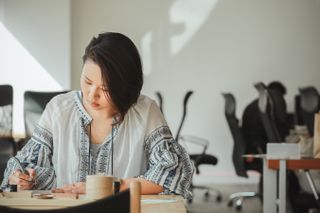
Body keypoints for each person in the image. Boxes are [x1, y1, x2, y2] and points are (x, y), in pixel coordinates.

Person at [1, 32, 194, 199]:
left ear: (125, 88)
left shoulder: (145, 111)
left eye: (105, 89)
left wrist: (113, 187)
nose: (92, 94)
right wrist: (21, 178)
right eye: (87, 81)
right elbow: (27, 166)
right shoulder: (58, 109)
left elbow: (173, 171)